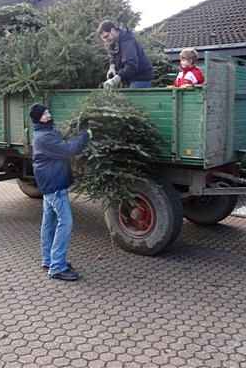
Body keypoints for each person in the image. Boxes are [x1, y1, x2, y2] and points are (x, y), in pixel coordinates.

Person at [29, 103, 90, 282]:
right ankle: (57, 267)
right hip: (54, 184)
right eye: (45, 113)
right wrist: (86, 135)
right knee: (66, 222)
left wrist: (73, 130)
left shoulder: (46, 132)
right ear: (39, 118)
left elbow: (61, 140)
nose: (49, 114)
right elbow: (68, 150)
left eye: (48, 111)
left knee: (49, 222)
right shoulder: (44, 137)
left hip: (50, 183)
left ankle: (48, 260)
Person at [97, 20, 154, 89]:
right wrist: (112, 67)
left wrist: (115, 79)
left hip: (140, 78)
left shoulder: (126, 41)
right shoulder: (114, 42)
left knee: (131, 99)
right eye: (104, 39)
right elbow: (113, 55)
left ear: (112, 30)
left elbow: (131, 65)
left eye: (106, 36)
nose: (106, 40)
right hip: (129, 78)